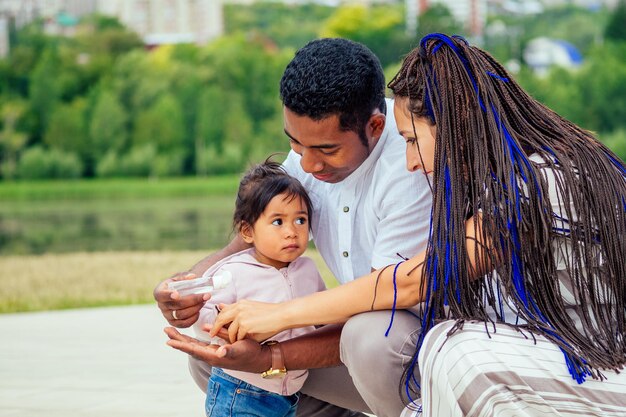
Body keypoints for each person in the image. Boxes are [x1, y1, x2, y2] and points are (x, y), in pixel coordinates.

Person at [207, 34, 626, 416]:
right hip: (546, 362)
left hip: (597, 368)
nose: (410, 160)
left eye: (411, 139)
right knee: (228, 363)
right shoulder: (508, 181)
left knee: (453, 349)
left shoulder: (542, 182)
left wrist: (280, 315)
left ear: (454, 127)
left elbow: (414, 281)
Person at [158, 38, 433, 417]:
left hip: (413, 352)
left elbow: (384, 297)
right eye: (296, 145)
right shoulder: (310, 147)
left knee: (369, 336)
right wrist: (191, 284)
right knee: (217, 356)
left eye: (326, 150)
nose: (307, 165)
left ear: (374, 126)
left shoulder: (409, 165)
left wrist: (273, 352)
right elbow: (257, 233)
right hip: (358, 348)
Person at [188, 159, 326, 417]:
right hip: (241, 390)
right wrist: (225, 327)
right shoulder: (235, 271)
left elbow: (323, 313)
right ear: (248, 231)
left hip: (289, 394)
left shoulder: (307, 269)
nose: (291, 232)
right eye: (278, 222)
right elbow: (203, 315)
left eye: (300, 220)